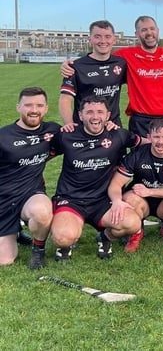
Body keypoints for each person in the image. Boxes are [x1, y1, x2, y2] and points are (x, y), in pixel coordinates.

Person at [49, 96, 142, 261]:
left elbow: (145, 143)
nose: (95, 116)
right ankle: (65, 245)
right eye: (89, 112)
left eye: (100, 112)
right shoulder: (66, 136)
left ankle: (105, 237)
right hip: (71, 199)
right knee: (63, 237)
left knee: (133, 224)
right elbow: (42, 154)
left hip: (102, 201)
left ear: (108, 115)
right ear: (80, 115)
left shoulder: (118, 135)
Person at [61, 16, 163, 137]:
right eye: (144, 30)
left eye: (152, 29)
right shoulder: (125, 57)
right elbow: (66, 99)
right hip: (137, 121)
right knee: (139, 155)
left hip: (160, 119)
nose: (149, 33)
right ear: (137, 34)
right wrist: (68, 65)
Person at [107, 118, 163, 251]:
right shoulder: (137, 155)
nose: (160, 141)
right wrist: (117, 201)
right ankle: (137, 231)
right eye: (156, 137)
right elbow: (116, 184)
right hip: (141, 200)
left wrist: (149, 191)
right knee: (129, 199)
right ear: (149, 137)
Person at [0, 87, 61, 269]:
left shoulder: (53, 131)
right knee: (4, 260)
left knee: (42, 212)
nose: (34, 110)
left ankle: (38, 250)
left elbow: (82, 138)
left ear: (46, 108)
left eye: (39, 105)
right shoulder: (3, 137)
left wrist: (110, 128)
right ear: (19, 107)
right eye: (28, 105)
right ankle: (15, 231)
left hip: (30, 194)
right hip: (3, 199)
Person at [59, 20, 127, 127]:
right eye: (97, 36)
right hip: (85, 128)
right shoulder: (76, 66)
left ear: (114, 40)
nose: (103, 41)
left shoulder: (121, 63)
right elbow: (65, 99)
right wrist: (69, 124)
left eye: (108, 36)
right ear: (90, 39)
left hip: (112, 127)